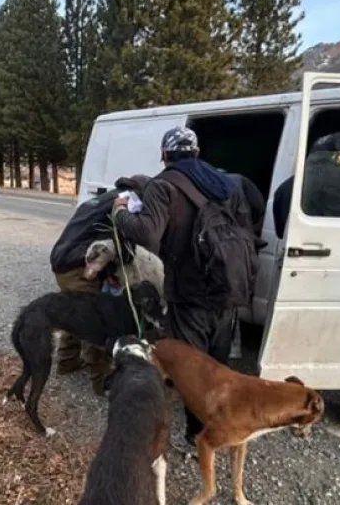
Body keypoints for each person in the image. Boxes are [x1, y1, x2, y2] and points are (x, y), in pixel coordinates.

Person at [111, 126, 258, 453]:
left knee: (193, 369)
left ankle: (197, 436)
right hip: (228, 288)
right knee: (218, 365)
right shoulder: (226, 183)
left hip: (190, 291)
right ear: (196, 151)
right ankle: (221, 422)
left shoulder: (163, 186)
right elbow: (252, 218)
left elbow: (146, 234)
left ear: (165, 155)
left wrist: (120, 211)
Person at [270, 131, 340, 429]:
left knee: (296, 336)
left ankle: (293, 404)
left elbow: (279, 227)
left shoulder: (293, 184)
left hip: (302, 269)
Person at [49, 175, 151, 395]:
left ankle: (67, 362)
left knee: (75, 313)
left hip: (62, 262)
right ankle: (101, 381)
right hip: (78, 267)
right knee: (96, 322)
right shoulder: (123, 205)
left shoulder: (101, 200)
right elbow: (121, 246)